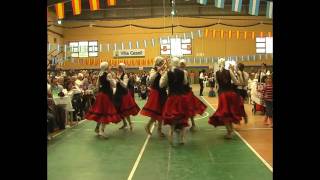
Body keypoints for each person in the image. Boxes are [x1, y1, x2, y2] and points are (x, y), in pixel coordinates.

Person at [85, 61, 122, 138]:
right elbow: (114, 85)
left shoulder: (100, 74)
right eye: (108, 66)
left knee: (101, 113)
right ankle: (102, 131)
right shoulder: (108, 75)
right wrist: (115, 78)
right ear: (106, 67)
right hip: (106, 95)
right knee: (105, 113)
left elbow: (97, 86)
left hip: (100, 95)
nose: (109, 67)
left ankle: (97, 128)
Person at [208, 58, 243, 139]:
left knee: (224, 113)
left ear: (219, 64)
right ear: (225, 63)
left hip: (222, 95)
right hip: (230, 94)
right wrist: (239, 76)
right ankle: (230, 129)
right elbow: (236, 82)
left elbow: (217, 85)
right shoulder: (229, 71)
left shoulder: (216, 73)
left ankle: (229, 131)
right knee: (230, 112)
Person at [160, 57, 190, 145]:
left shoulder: (167, 73)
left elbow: (161, 85)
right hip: (181, 97)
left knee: (173, 117)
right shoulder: (183, 72)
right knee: (183, 117)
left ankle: (171, 134)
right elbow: (185, 82)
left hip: (172, 97)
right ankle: (182, 139)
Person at [140, 56, 168, 137]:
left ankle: (158, 129)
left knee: (161, 112)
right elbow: (150, 80)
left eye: (163, 62)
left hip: (162, 92)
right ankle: (149, 126)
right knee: (156, 112)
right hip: (156, 93)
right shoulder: (153, 70)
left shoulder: (163, 69)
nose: (163, 63)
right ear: (159, 62)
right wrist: (159, 70)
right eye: (162, 62)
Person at [180, 59, 207, 132]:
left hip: (185, 92)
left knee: (190, 108)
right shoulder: (181, 71)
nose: (182, 65)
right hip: (182, 92)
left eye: (183, 64)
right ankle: (183, 125)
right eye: (181, 64)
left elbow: (185, 82)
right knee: (184, 109)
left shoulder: (184, 72)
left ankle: (192, 124)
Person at [114, 63, 141, 131]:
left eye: (119, 67)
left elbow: (125, 85)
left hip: (124, 94)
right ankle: (125, 123)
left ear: (122, 68)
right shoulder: (117, 74)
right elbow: (115, 84)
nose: (118, 68)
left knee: (125, 111)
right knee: (118, 110)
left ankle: (130, 123)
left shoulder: (125, 75)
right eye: (118, 67)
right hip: (117, 94)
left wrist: (119, 79)